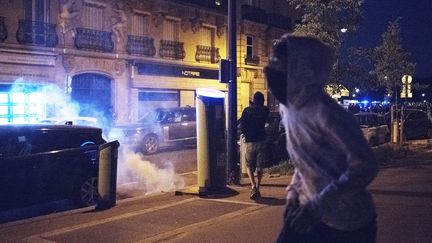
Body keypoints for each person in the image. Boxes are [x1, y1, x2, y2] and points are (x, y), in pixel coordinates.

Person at [264, 34, 379, 243]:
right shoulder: (287, 108)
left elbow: (365, 165)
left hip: (348, 225)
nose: (270, 69)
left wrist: (319, 205)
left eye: (278, 64)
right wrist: (292, 194)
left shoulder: (326, 113)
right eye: (271, 62)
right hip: (309, 210)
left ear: (302, 69)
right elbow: (305, 162)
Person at [239, 91, 269, 199]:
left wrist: (246, 134)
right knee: (260, 166)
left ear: (254, 100)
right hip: (261, 140)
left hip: (250, 141)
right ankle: (258, 186)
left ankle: (253, 186)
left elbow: (242, 126)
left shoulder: (247, 111)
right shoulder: (265, 110)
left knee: (249, 165)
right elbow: (266, 117)